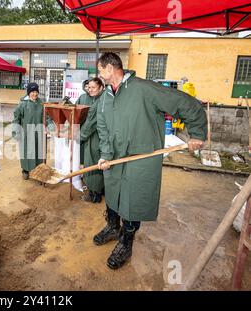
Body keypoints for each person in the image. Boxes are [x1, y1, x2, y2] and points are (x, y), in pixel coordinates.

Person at [94, 52, 207, 270]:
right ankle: (112, 226)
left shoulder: (144, 89)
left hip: (141, 157)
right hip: (115, 159)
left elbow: (183, 102)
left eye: (100, 70)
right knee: (113, 193)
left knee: (132, 201)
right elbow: (103, 129)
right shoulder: (105, 98)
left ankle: (126, 242)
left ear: (110, 68)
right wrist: (105, 154)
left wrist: (197, 133)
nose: (99, 75)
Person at [12, 82, 53, 180]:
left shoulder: (41, 104)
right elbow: (16, 119)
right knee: (27, 152)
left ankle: (38, 171)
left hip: (39, 133)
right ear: (28, 92)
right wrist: (16, 132)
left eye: (36, 92)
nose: (34, 94)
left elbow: (47, 117)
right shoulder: (22, 104)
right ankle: (25, 170)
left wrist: (50, 126)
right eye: (32, 92)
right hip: (26, 133)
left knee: (39, 152)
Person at [79, 77, 105, 203]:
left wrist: (80, 136)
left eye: (93, 87)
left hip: (96, 138)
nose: (90, 90)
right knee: (101, 164)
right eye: (89, 87)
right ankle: (101, 190)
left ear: (101, 87)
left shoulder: (99, 102)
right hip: (101, 137)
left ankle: (94, 195)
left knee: (93, 164)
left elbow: (91, 123)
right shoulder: (103, 98)